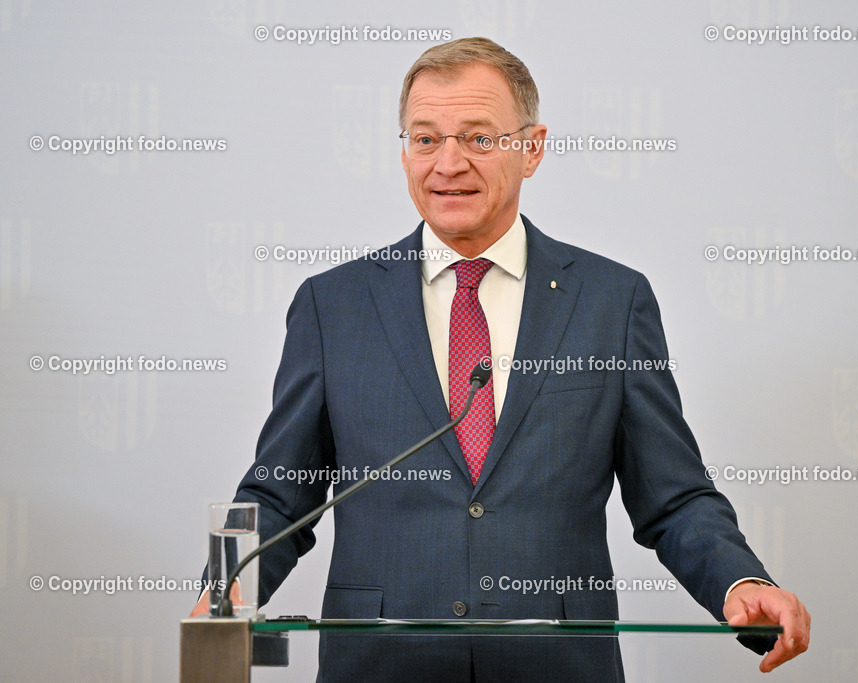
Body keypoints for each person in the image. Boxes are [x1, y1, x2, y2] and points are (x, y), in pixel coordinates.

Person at [192, 37, 809, 681]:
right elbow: (279, 493)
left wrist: (739, 581)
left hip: (557, 663)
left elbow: (673, 497)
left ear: (532, 148)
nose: (447, 163)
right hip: (380, 662)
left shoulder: (612, 301)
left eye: (478, 138)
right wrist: (220, 590)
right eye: (425, 139)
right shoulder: (332, 305)